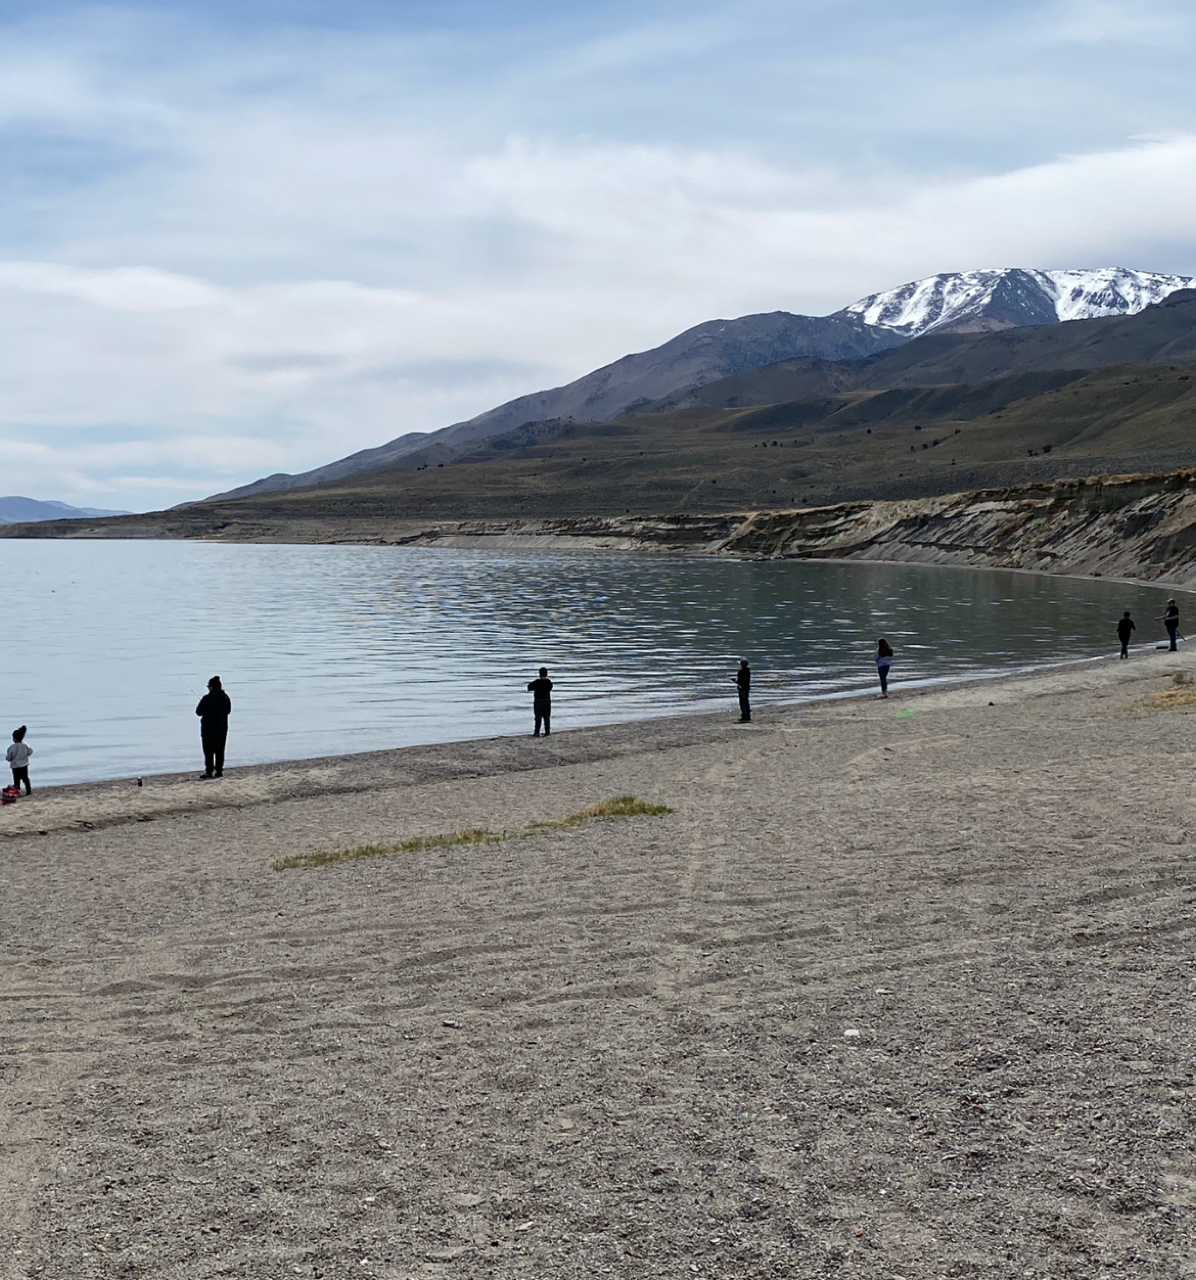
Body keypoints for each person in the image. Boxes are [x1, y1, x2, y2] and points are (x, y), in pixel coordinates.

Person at [195, 676, 232, 778]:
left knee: (208, 751)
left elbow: (198, 712)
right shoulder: (225, 698)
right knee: (220, 750)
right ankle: (219, 771)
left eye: (208, 686)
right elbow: (228, 711)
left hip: (208, 729)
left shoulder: (206, 698)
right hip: (222, 728)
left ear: (211, 687)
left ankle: (209, 771)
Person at [527, 667, 553, 737]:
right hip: (547, 700)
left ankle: (537, 732)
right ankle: (547, 731)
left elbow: (529, 687)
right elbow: (550, 688)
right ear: (546, 674)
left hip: (538, 701)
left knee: (538, 717)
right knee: (546, 717)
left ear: (539, 674)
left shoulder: (536, 682)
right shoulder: (549, 682)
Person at [6, 725, 32, 795]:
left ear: (14, 738)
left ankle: (17, 792)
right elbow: (30, 752)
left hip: (15, 766)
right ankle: (28, 791)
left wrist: (8, 758)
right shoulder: (25, 745)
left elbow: (9, 757)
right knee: (25, 779)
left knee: (16, 780)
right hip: (24, 765)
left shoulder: (12, 747)